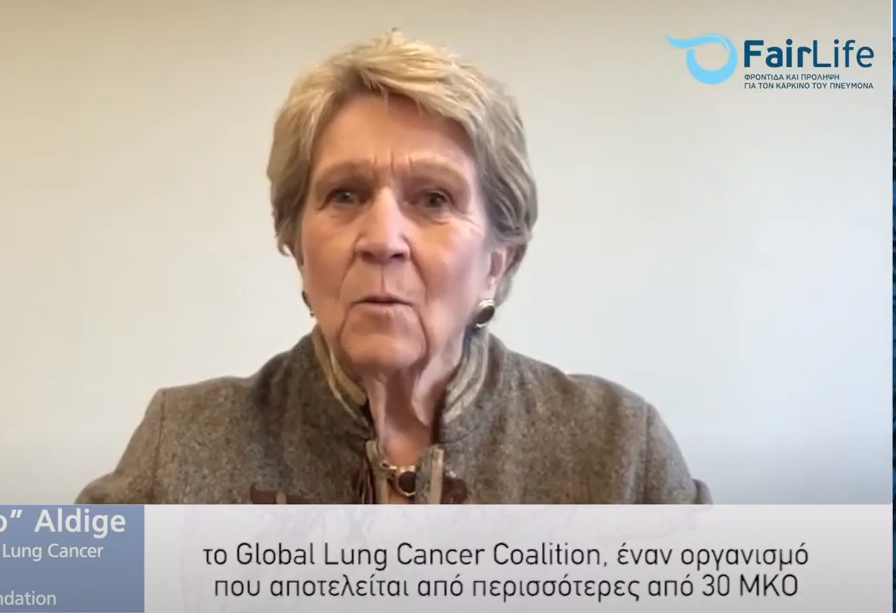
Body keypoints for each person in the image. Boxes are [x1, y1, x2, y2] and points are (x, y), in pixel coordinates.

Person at [77, 30, 711, 505]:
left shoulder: (620, 454)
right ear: (296, 244)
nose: (382, 240)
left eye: (434, 199)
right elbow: (40, 609)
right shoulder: (182, 446)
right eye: (344, 195)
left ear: (497, 261)